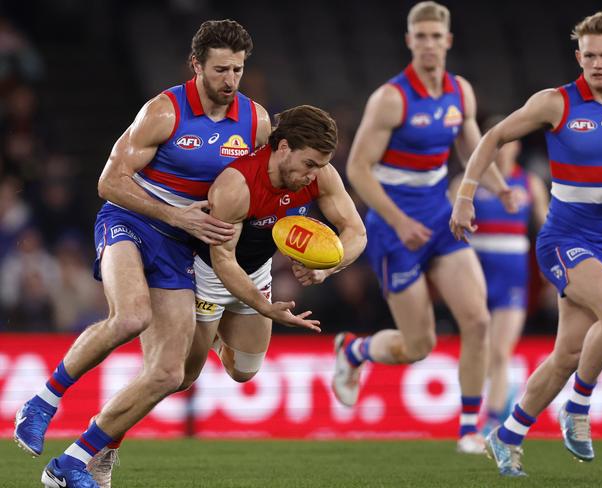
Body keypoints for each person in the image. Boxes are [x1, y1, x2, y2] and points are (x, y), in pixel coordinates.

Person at [12, 20, 316, 488]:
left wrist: (291, 240)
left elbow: (263, 188)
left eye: (237, 69)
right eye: (220, 69)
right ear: (196, 65)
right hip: (130, 221)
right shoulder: (163, 111)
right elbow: (109, 182)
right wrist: (176, 216)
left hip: (184, 244)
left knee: (172, 374)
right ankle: (43, 403)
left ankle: (78, 461)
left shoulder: (255, 120)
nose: (230, 80)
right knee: (130, 317)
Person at [87, 105, 367, 487]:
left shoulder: (319, 177)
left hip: (256, 273)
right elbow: (224, 263)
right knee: (178, 377)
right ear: (283, 148)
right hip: (209, 276)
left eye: (320, 165)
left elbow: (355, 232)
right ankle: (104, 444)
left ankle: (217, 335)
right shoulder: (236, 185)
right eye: (309, 164)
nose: (313, 175)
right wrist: (266, 307)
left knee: (243, 372)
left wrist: (326, 267)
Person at [450, 11, 602, 477]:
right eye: (590, 55)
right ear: (579, 57)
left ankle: (508, 434)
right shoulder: (556, 103)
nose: (598, 64)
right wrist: (465, 195)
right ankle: (578, 409)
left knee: (565, 357)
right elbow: (494, 136)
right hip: (562, 239)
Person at [331, 1, 516, 454]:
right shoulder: (391, 98)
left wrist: (500, 189)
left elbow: (473, 150)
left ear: (448, 41)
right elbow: (357, 169)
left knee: (477, 321)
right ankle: (353, 352)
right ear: (409, 41)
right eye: (422, 36)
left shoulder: (461, 93)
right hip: (395, 230)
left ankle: (469, 431)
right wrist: (399, 221)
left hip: (438, 220)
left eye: (437, 36)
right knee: (419, 346)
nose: (430, 44)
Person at [449, 116, 549, 437]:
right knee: (479, 345)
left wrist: (552, 273)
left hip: (512, 276)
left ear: (517, 146)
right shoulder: (465, 184)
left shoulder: (529, 183)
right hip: (475, 271)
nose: (501, 149)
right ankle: (480, 408)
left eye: (507, 142)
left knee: (501, 351)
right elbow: (444, 227)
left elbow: (546, 228)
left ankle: (493, 418)